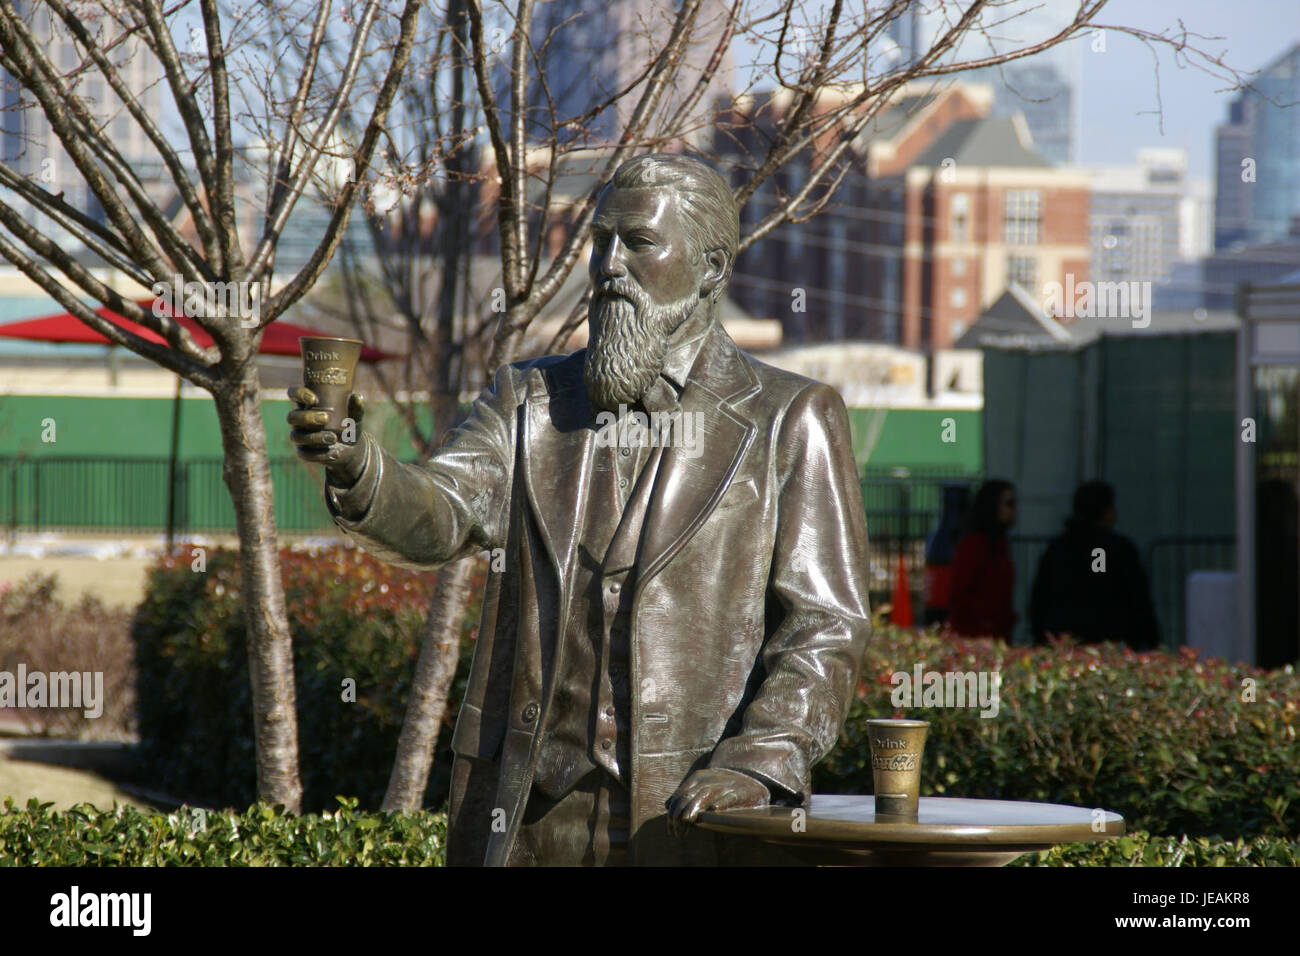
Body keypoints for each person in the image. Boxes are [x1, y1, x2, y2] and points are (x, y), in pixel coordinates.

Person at [287, 154, 872, 866]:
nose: (607, 265)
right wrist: (358, 464)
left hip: (692, 821)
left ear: (713, 268)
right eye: (601, 240)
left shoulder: (791, 419)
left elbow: (827, 623)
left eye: (639, 242)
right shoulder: (527, 403)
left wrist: (757, 762)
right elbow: (443, 511)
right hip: (528, 818)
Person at [1030, 481, 1160, 651]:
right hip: (1106, 637)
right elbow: (1132, 594)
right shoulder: (1105, 548)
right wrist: (1150, 638)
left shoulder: (1060, 547)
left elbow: (1040, 597)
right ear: (1105, 511)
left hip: (1065, 638)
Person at [947, 479, 1017, 640]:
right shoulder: (974, 545)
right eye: (1009, 504)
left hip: (995, 632)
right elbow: (959, 593)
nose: (1013, 510)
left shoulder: (999, 543)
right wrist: (983, 623)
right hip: (976, 634)